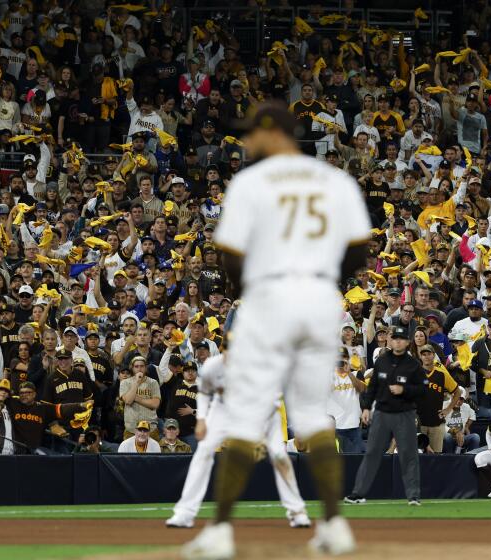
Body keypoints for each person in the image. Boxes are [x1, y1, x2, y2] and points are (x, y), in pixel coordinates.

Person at [182, 103, 369, 559]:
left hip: (271, 296)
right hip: (322, 299)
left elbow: (228, 255)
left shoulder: (252, 182)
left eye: (252, 134)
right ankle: (334, 526)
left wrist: (254, 286)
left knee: (246, 416)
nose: (247, 143)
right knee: (310, 417)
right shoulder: (335, 180)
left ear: (272, 132)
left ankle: (220, 531)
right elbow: (358, 251)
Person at [167, 351, 311, 530]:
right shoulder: (214, 365)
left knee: (280, 456)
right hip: (223, 410)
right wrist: (202, 419)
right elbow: (204, 393)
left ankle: (297, 511)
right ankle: (185, 512)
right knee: (203, 452)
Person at [345, 326, 425, 506]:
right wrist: (366, 408)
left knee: (408, 455)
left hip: (404, 413)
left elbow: (423, 389)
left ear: (406, 342)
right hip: (382, 412)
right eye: (394, 338)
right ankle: (358, 493)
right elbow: (372, 387)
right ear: (390, 340)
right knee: (372, 453)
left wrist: (404, 389)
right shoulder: (382, 361)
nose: (397, 341)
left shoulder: (413, 365)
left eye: (401, 338)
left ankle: (413, 496)